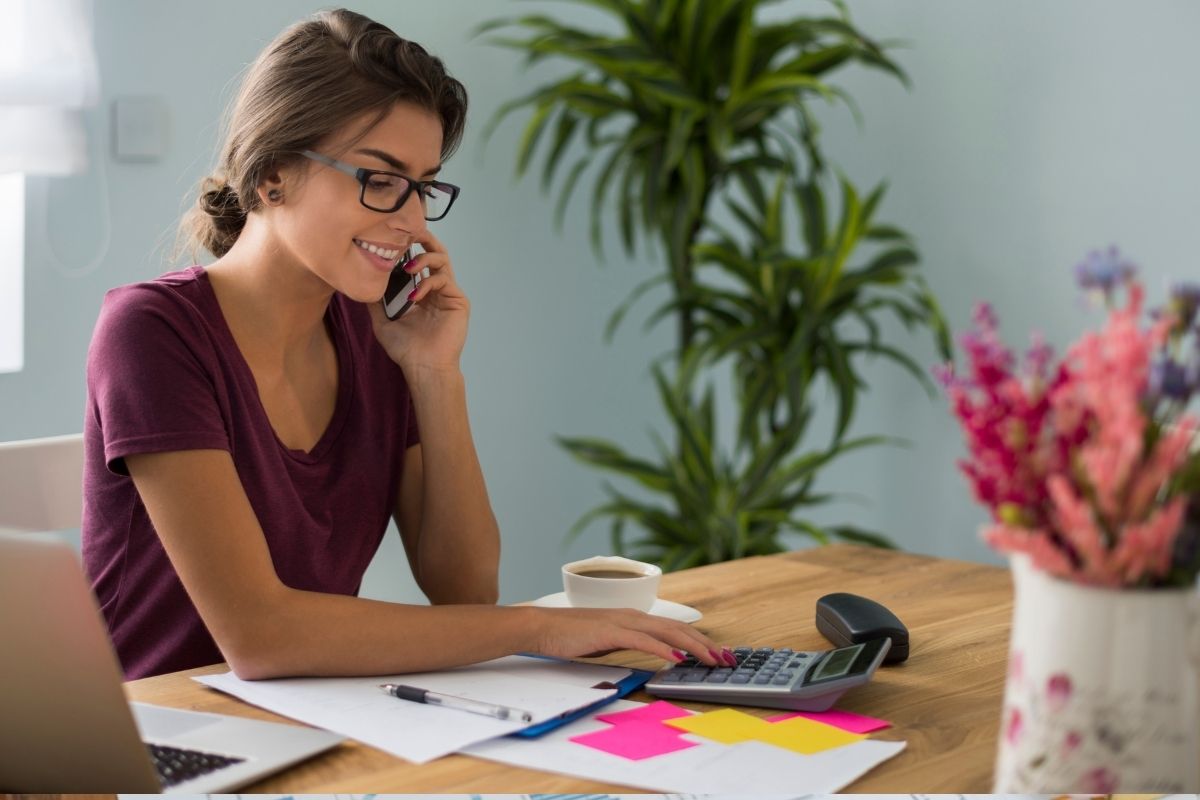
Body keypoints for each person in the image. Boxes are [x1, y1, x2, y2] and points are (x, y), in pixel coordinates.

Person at [81, 8, 730, 681]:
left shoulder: (378, 334)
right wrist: (541, 626)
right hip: (154, 728)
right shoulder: (151, 332)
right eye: (381, 180)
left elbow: (465, 590)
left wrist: (434, 373)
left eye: (422, 187)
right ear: (273, 175)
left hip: (313, 712)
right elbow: (260, 636)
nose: (413, 221)